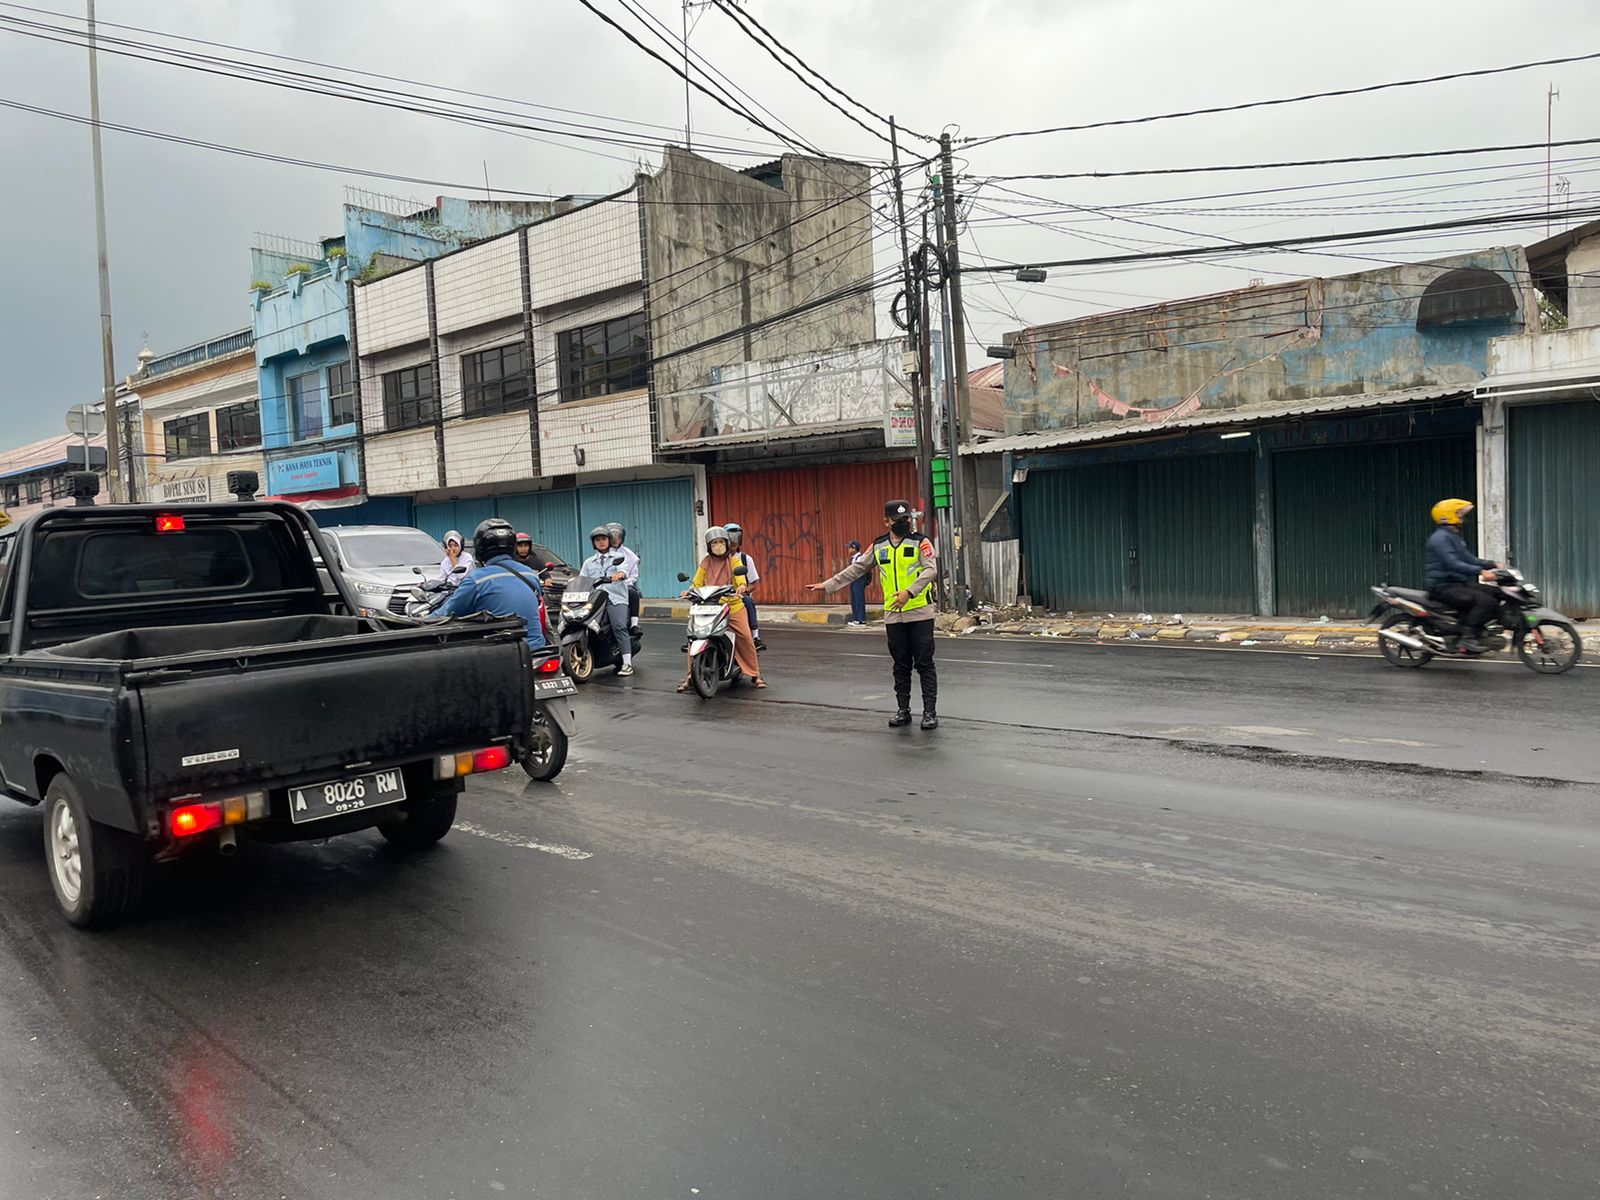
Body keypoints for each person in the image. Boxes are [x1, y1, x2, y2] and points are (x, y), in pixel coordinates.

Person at [807, 500, 938, 730]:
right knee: (900, 665)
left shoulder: (921, 542)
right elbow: (857, 569)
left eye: (906, 519)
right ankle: (903, 710)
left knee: (924, 664)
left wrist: (909, 592)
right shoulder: (879, 546)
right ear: (886, 521)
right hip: (894, 616)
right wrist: (828, 585)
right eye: (898, 520)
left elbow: (930, 569)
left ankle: (929, 713)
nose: (903, 523)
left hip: (920, 614)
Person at [434, 519, 547, 651]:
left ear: (480, 548)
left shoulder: (477, 580)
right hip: (538, 650)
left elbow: (446, 613)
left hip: (504, 654)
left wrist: (424, 619)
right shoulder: (531, 575)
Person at [679, 526, 764, 692]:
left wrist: (741, 586)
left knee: (745, 636)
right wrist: (689, 592)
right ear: (709, 546)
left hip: (732, 605)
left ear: (726, 543)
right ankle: (690, 676)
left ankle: (755, 675)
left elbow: (740, 578)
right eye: (714, 543)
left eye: (721, 542)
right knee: (693, 638)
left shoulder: (734, 561)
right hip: (708, 605)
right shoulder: (705, 563)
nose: (718, 546)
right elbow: (697, 582)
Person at [1425, 498, 1500, 654]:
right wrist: (1480, 571)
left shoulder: (1453, 536)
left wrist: (1491, 564)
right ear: (1448, 516)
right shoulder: (1440, 539)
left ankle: (1478, 630)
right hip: (1442, 586)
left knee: (1496, 593)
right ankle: (1467, 638)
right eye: (1459, 514)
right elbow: (1453, 563)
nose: (1462, 518)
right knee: (1485, 601)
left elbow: (1468, 558)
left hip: (1457, 583)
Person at [578, 526, 636, 677]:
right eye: (597, 540)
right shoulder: (589, 562)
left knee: (619, 627)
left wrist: (620, 574)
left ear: (609, 540)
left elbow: (624, 570)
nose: (601, 542)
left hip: (615, 598)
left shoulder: (618, 557)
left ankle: (627, 663)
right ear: (593, 543)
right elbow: (582, 579)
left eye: (603, 539)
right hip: (596, 599)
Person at [723, 522, 764, 651]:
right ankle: (694, 637)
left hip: (738, 597)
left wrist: (743, 591)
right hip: (719, 596)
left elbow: (753, 584)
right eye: (730, 537)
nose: (733, 541)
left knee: (749, 601)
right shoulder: (715, 559)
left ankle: (755, 637)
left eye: (737, 537)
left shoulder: (745, 559)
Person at [606, 521, 642, 633]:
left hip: (624, 585)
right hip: (606, 585)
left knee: (633, 594)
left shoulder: (629, 554)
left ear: (622, 538)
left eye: (618, 537)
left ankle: (634, 624)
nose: (615, 540)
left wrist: (623, 583)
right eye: (612, 537)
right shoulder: (602, 554)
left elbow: (634, 576)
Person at [844, 539, 870, 626]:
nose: (848, 550)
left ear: (854, 548)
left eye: (849, 548)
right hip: (854, 580)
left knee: (859, 599)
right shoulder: (854, 558)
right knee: (854, 599)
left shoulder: (860, 558)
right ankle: (856, 619)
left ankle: (861, 619)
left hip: (859, 580)